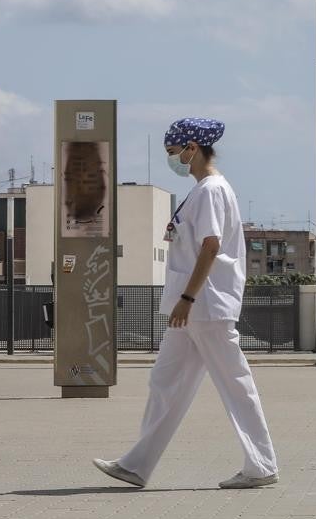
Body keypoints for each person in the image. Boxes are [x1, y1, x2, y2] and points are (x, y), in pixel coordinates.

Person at [94, 117, 279, 489]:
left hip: (205, 306)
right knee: (165, 381)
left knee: (235, 384)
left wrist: (187, 298)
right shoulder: (204, 190)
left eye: (173, 152)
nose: (173, 159)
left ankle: (262, 465)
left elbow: (210, 246)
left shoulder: (211, 190)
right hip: (193, 309)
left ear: (192, 148)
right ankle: (137, 464)